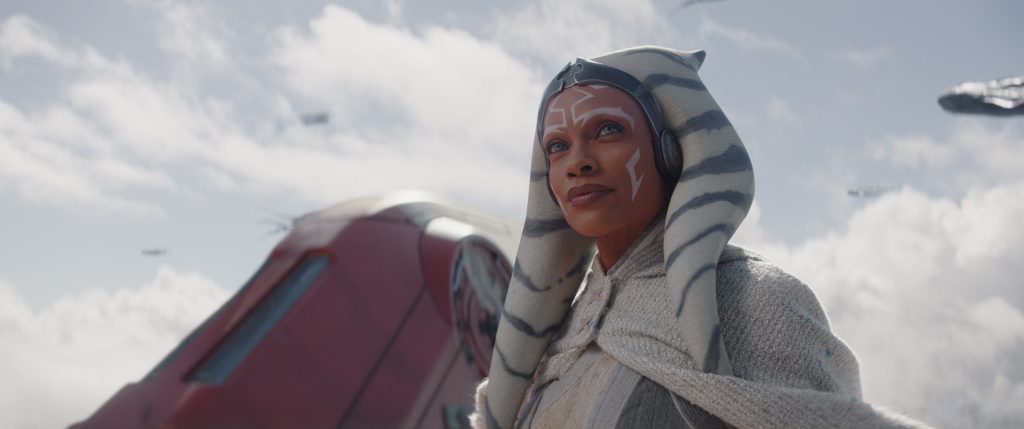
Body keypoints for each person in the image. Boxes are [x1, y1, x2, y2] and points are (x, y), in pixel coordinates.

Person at [469, 46, 930, 429]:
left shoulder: (756, 302)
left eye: (608, 130)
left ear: (671, 149)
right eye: (557, 146)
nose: (578, 162)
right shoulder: (560, 340)